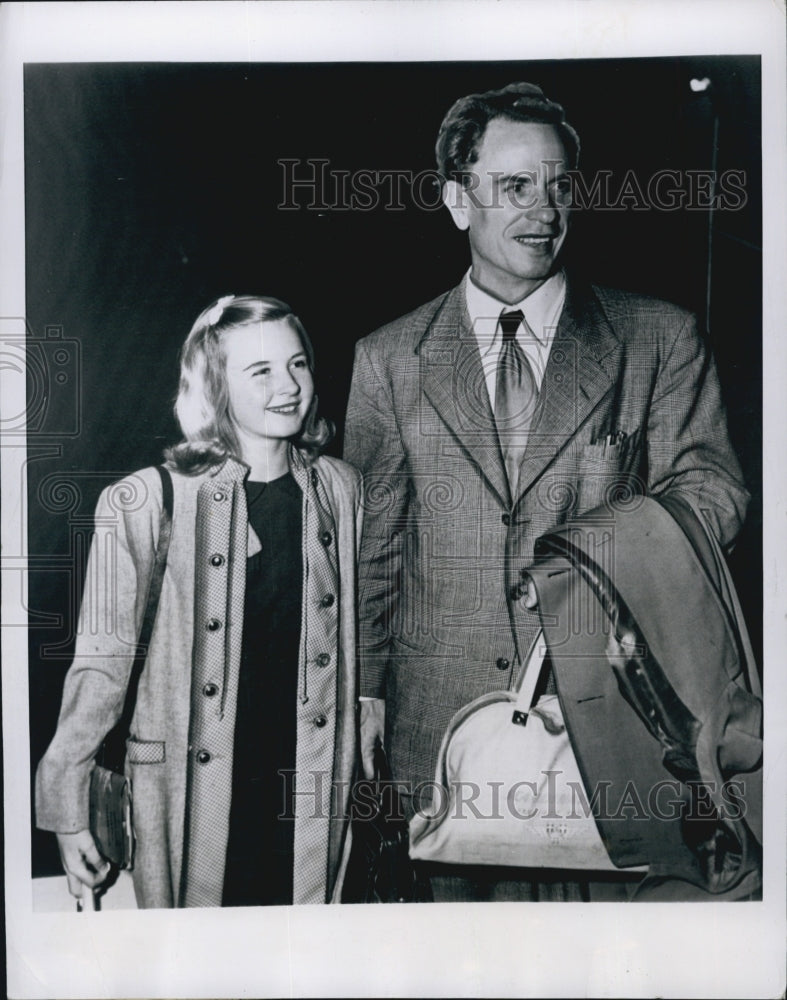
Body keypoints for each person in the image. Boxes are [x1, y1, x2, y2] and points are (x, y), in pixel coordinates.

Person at [343, 82, 750, 901]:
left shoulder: (657, 339)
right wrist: (362, 695)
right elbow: (373, 551)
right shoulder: (387, 360)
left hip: (610, 729)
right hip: (441, 738)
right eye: (514, 186)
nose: (544, 210)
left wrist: (584, 563)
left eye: (560, 185)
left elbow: (712, 492)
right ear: (457, 200)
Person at [36, 295, 362, 908]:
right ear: (214, 385)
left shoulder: (341, 490)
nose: (287, 386)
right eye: (260, 371)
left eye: (297, 364)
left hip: (306, 797)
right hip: (186, 800)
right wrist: (66, 804)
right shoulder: (142, 502)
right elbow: (100, 666)